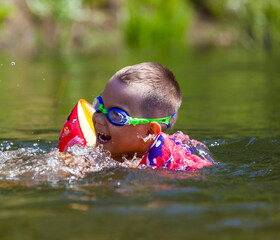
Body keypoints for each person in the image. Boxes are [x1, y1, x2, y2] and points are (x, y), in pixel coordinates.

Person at [59, 62, 213, 170]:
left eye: (116, 116)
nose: (98, 118)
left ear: (149, 132)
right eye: (99, 105)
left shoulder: (172, 164)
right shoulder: (99, 149)